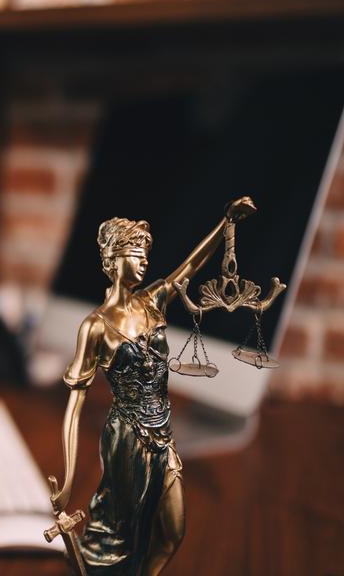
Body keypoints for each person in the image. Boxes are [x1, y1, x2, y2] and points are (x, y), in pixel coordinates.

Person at [48, 198, 255, 575]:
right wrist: (67, 481)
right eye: (136, 253)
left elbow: (190, 265)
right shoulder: (94, 327)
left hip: (163, 432)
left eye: (146, 253)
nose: (145, 260)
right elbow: (74, 408)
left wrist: (226, 222)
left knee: (173, 531)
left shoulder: (153, 300)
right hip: (126, 440)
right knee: (123, 535)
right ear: (112, 260)